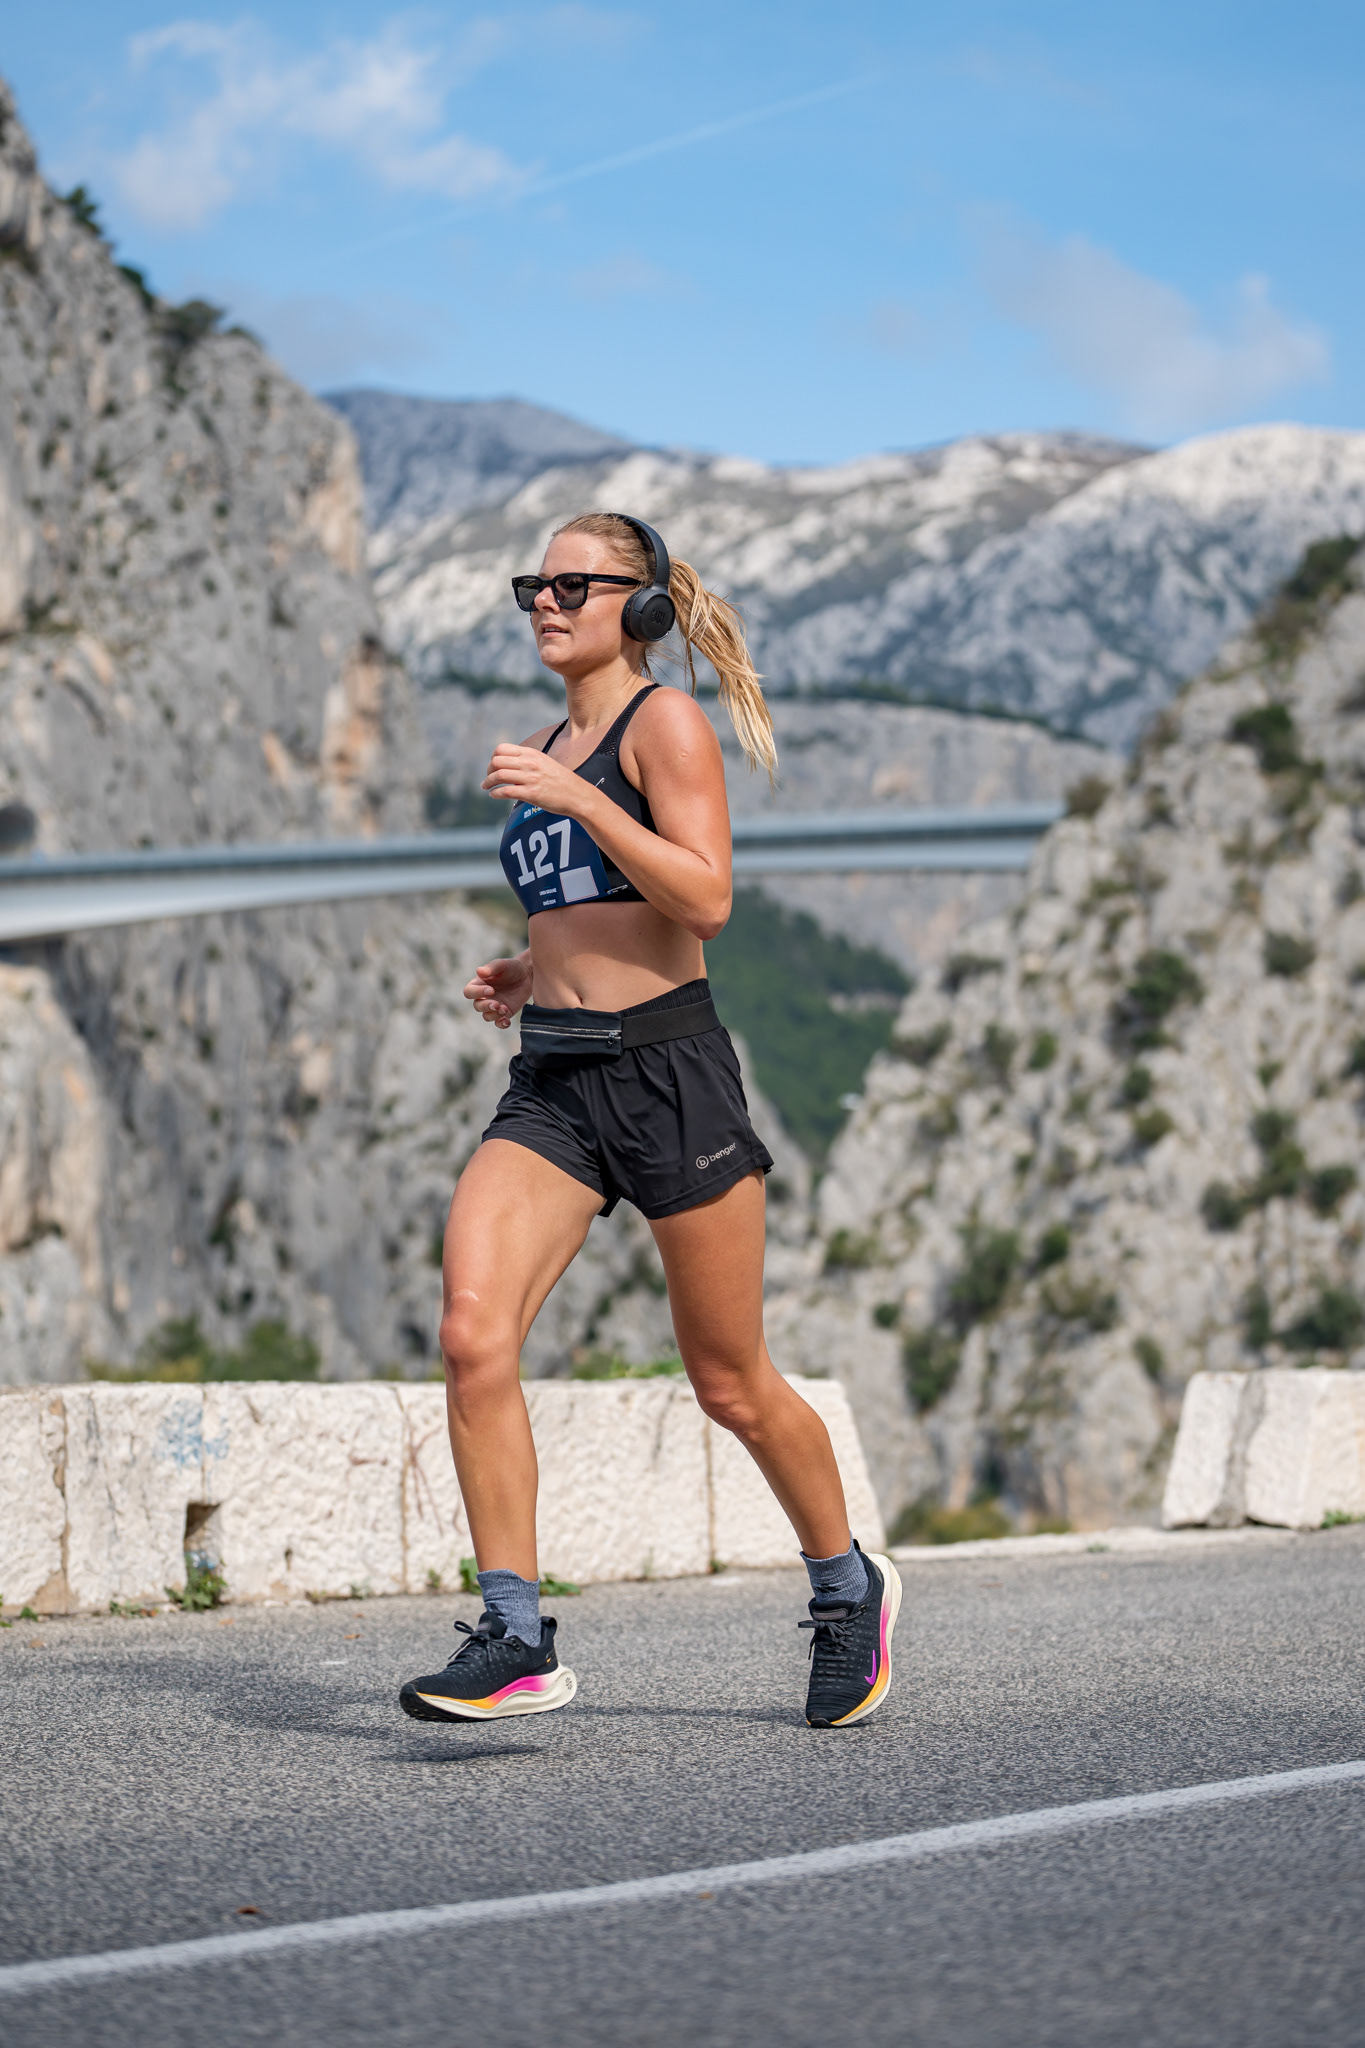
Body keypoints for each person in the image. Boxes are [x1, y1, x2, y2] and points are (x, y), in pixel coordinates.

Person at [399, 512, 900, 1731]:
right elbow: (600, 900)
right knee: (472, 1332)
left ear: (643, 605)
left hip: (670, 1074)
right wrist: (532, 964)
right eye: (535, 583)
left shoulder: (662, 723)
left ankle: (848, 1587)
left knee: (730, 1379)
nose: (545, 600)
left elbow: (707, 896)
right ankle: (515, 1633)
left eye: (573, 584)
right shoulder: (547, 744)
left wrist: (578, 795)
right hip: (554, 1081)